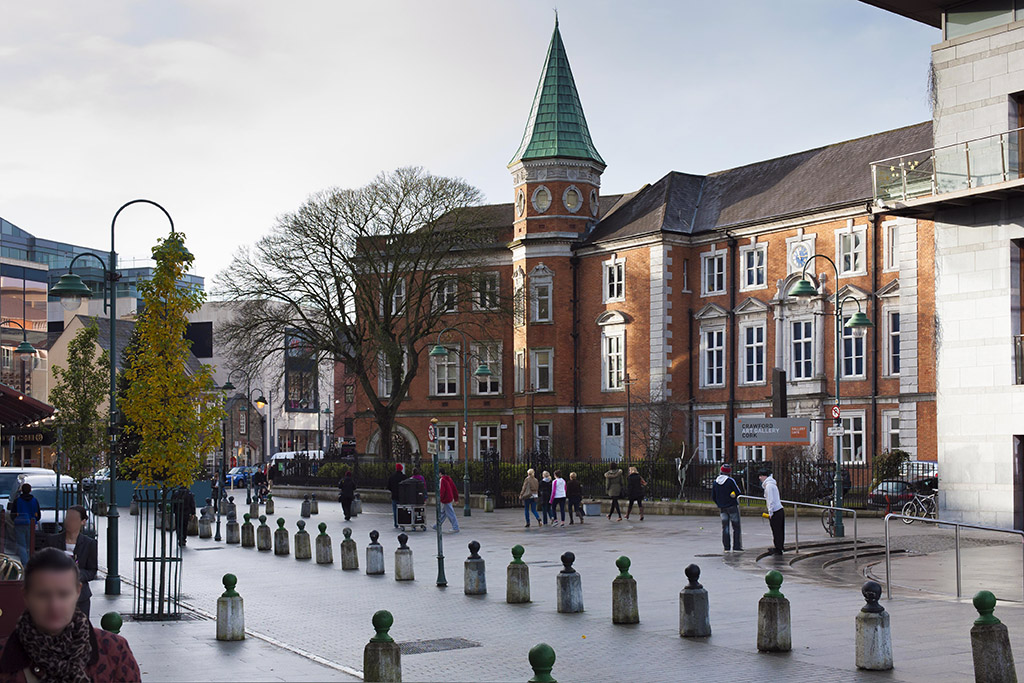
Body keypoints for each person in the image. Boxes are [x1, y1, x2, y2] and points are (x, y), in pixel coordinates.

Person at [0, 548, 140, 682]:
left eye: (63, 594)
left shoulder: (113, 650)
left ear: (78, 592)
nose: (54, 605)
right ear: (26, 595)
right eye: (43, 595)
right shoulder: (4, 657)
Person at [43, 506, 97, 618]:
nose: (69, 521)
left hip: (80, 597)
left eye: (73, 518)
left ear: (83, 522)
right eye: (68, 518)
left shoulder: (89, 544)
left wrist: (77, 574)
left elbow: (92, 571)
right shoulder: (52, 540)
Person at [712, 465, 743, 552]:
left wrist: (719, 503)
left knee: (725, 527)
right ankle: (736, 546)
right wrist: (732, 495)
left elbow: (713, 496)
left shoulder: (715, 482)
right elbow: (738, 492)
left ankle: (726, 547)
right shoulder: (730, 481)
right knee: (736, 526)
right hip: (732, 505)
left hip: (722, 507)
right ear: (729, 472)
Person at [8, 484, 41, 566]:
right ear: (30, 490)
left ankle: (25, 564)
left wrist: (15, 519)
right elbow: (38, 515)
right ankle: (30, 562)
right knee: (30, 544)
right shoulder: (34, 500)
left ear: (21, 490)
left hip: (19, 524)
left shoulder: (17, 500)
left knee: (21, 545)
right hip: (31, 524)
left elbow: (12, 513)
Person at [760, 468, 784, 555]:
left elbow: (770, 500)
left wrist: (770, 513)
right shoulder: (772, 484)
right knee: (779, 530)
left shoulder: (769, 486)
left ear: (765, 476)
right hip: (779, 509)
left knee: (776, 530)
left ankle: (778, 548)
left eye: (761, 476)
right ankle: (779, 546)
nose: (760, 478)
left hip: (775, 511)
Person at [432, 469, 460, 533]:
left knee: (450, 513)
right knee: (443, 513)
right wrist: (456, 498)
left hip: (445, 499)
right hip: (449, 498)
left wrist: (440, 499)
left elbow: (442, 491)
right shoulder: (449, 479)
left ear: (440, 473)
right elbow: (454, 488)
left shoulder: (442, 480)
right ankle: (437, 525)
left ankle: (455, 527)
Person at [387, 464, 408, 529]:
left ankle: (396, 523)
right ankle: (402, 522)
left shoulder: (392, 477)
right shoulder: (404, 477)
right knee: (402, 510)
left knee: (395, 510)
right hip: (402, 497)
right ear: (401, 469)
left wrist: (393, 490)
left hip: (394, 496)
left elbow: (388, 486)